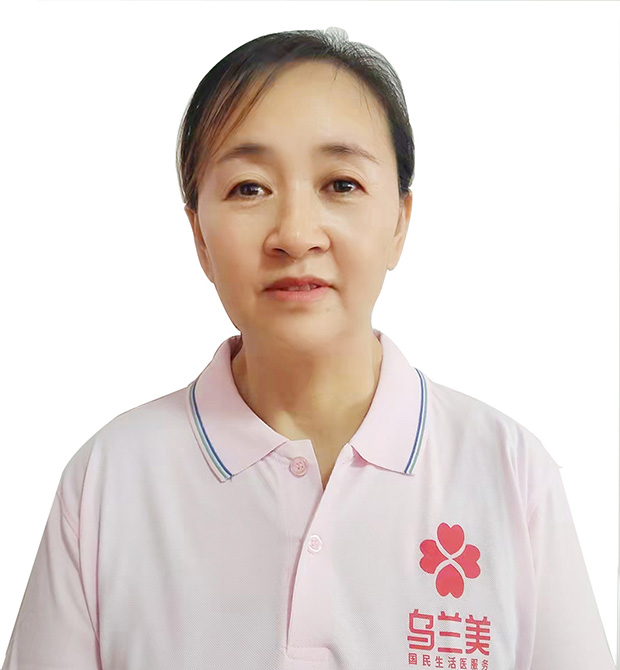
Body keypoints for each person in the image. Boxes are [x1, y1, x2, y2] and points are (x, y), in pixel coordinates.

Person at [2, 27, 615, 670]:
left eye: (341, 184)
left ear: (400, 221)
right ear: (199, 237)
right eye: (248, 188)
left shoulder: (509, 472)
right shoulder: (109, 482)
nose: (296, 235)